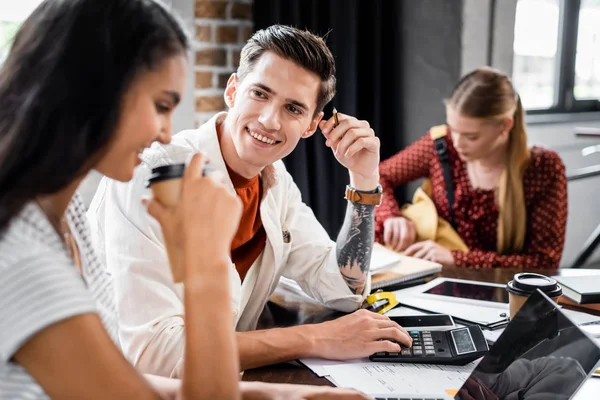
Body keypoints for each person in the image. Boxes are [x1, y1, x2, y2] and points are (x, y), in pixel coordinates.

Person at [0, 1, 368, 399]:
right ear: (91, 93)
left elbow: (112, 383)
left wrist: (288, 395)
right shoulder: (23, 253)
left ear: (313, 123)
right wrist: (207, 264)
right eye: (160, 106)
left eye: (293, 108)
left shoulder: (62, 215)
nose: (164, 134)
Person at [87, 24, 412, 377]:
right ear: (232, 89)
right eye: (260, 93)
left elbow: (342, 289)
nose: (270, 120)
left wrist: (363, 181)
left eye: (293, 108)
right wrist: (315, 338)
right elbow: (155, 355)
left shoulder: (276, 181)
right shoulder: (152, 175)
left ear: (311, 125)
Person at [375, 67, 567, 269]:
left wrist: (456, 259)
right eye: (453, 129)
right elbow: (378, 176)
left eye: (471, 136)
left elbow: (545, 262)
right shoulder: (441, 144)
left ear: (505, 125)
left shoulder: (543, 168)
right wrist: (391, 216)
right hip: (433, 283)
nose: (457, 143)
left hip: (500, 294)